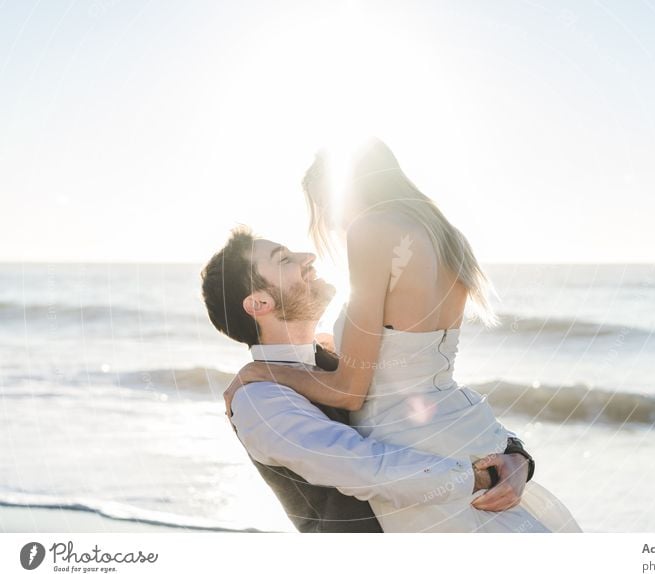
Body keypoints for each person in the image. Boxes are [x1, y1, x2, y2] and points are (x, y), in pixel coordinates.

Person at [224, 138, 582, 532]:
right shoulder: (443, 235)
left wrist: (260, 371)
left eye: (322, 207)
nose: (324, 227)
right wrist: (506, 458)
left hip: (416, 446)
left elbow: (348, 391)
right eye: (285, 259)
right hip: (459, 433)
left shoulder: (369, 230)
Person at [201, 228, 537, 532]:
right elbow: (364, 466)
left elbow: (440, 411)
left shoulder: (344, 360)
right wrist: (480, 476)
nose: (309, 257)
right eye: (285, 259)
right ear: (259, 303)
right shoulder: (259, 402)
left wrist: (514, 455)